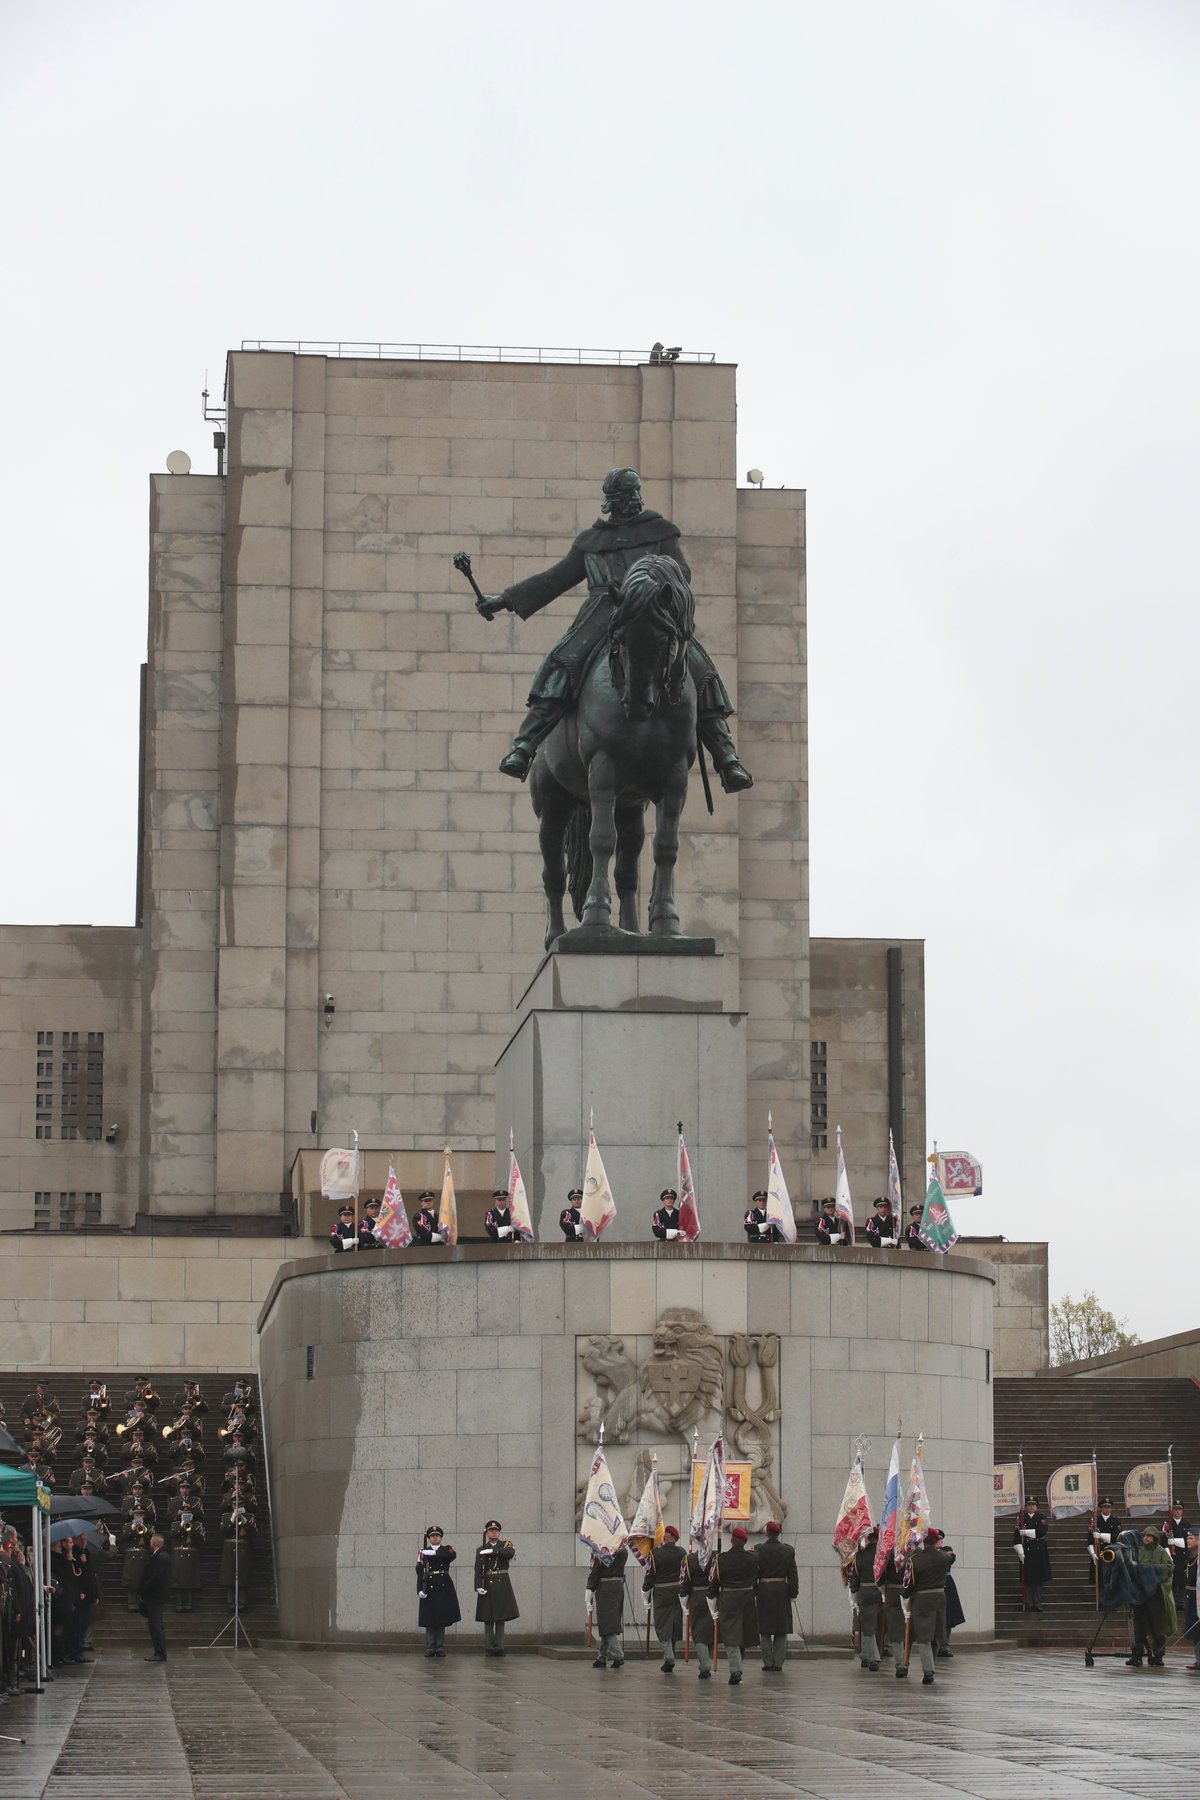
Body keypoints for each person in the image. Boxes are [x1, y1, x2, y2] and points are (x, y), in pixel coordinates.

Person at [476, 466, 752, 791]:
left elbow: (683, 572)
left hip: (652, 612)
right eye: (627, 495)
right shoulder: (592, 542)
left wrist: (657, 580)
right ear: (611, 502)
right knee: (562, 662)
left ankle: (726, 757)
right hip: (602, 613)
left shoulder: (659, 531)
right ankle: (525, 746)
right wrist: (505, 600)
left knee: (700, 668)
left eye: (637, 492)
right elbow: (555, 579)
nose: (634, 499)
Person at [708, 1525, 758, 1685]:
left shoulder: (721, 1559)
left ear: (732, 1540)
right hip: (747, 1599)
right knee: (741, 1633)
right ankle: (738, 1666)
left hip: (728, 1598)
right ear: (744, 1542)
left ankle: (736, 1670)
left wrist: (712, 1598)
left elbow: (714, 1582)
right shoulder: (753, 1558)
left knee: (731, 1636)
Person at [902, 1527, 952, 1684]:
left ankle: (928, 1670)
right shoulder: (945, 1558)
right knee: (937, 1632)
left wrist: (905, 1595)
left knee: (924, 1634)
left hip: (922, 1598)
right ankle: (932, 1664)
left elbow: (909, 1583)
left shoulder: (915, 1560)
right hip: (940, 1596)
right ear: (937, 1541)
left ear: (923, 1541)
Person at [1128, 1525, 1176, 1668]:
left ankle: (1158, 1655)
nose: (1146, 1538)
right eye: (1145, 1536)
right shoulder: (1139, 1551)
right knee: (1139, 1626)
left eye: (1149, 1536)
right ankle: (1137, 1654)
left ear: (1155, 1538)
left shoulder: (1161, 1552)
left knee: (1158, 1626)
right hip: (1140, 1595)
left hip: (1155, 1596)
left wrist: (1151, 1570)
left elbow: (1169, 1567)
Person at [754, 1520, 798, 1673]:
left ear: (767, 1533)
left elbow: (754, 1574)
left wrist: (754, 1591)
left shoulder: (758, 1550)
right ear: (778, 1533)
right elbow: (793, 1575)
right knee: (781, 1628)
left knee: (764, 1628)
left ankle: (767, 1662)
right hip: (781, 1591)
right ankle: (778, 1663)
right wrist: (793, 1593)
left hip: (764, 1590)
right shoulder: (788, 1551)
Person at [642, 1524, 685, 1672]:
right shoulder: (682, 1552)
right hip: (678, 1592)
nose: (664, 1535)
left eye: (666, 1533)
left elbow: (650, 1574)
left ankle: (669, 1656)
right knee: (673, 1624)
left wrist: (645, 1589)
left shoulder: (656, 1554)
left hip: (661, 1592)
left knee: (662, 1624)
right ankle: (670, 1655)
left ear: (671, 1537)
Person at [474, 1520, 519, 1656]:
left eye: (496, 1530)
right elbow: (477, 1569)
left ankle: (499, 1646)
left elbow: (509, 1553)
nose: (494, 1532)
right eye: (491, 1530)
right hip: (487, 1582)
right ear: (487, 1533)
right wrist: (477, 1586)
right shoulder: (480, 1549)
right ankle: (488, 1646)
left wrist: (494, 1550)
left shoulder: (505, 1544)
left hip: (502, 1582)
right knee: (488, 1617)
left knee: (501, 1617)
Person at [417, 1526, 460, 1657]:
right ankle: (430, 1647)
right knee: (429, 1620)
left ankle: (440, 1647)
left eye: (437, 1535)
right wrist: (419, 1589)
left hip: (443, 1586)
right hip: (429, 1584)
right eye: (432, 1536)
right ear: (429, 1538)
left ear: (441, 1537)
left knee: (441, 1619)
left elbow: (451, 1555)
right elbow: (419, 1571)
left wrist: (434, 1553)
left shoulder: (446, 1549)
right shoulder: (423, 1552)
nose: (435, 1537)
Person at [586, 1545, 628, 1670]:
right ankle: (601, 1657)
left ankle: (618, 1655)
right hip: (618, 1585)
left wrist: (589, 1588)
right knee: (607, 1622)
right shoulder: (623, 1551)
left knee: (607, 1623)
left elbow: (595, 1570)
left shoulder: (602, 1552)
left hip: (605, 1587)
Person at [849, 1527, 883, 1670]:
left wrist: (854, 1590)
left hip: (865, 1590)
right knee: (878, 1625)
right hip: (881, 1590)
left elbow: (855, 1576)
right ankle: (869, 1654)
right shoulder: (883, 1554)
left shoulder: (860, 1555)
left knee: (867, 1625)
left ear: (868, 1538)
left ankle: (872, 1657)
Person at [680, 1544, 716, 1679]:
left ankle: (705, 1665)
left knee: (698, 1632)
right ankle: (706, 1661)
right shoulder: (716, 1557)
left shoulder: (690, 1559)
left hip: (696, 1597)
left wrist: (684, 1602)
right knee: (710, 1630)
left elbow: (685, 1581)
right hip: (713, 1596)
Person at [138, 1532, 172, 1663]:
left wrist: (145, 1587)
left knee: (155, 1625)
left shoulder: (161, 1557)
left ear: (153, 1543)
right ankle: (159, 1652)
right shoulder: (162, 1555)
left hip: (155, 1596)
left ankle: (160, 1653)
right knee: (155, 1625)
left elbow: (156, 1576)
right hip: (156, 1595)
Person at [1013, 1500, 1051, 1611]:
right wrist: (1019, 1550)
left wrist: (1026, 1532)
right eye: (1029, 1505)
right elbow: (1016, 1535)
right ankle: (1028, 1603)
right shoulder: (1021, 1518)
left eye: (1033, 1505)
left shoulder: (1041, 1517)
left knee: (1039, 1579)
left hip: (1039, 1549)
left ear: (1036, 1507)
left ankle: (1038, 1603)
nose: (1031, 1507)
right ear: (1026, 1507)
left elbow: (1042, 1532)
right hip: (1026, 1550)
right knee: (1028, 1579)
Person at [935, 1529, 965, 1656]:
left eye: (940, 1539)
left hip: (946, 1585)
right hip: (934, 1585)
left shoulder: (946, 1550)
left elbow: (950, 1558)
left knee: (947, 1617)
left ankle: (944, 1644)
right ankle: (936, 1643)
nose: (938, 1541)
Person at [171, 1508, 205, 1613]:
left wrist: (192, 1528)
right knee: (179, 1580)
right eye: (184, 1514)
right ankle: (179, 1604)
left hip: (191, 1556)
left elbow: (201, 1538)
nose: (186, 1516)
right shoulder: (175, 1525)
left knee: (190, 1581)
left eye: (188, 1514)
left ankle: (189, 1604)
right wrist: (182, 1525)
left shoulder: (198, 1525)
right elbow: (173, 1535)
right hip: (179, 1555)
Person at [1087, 1498, 1122, 1583]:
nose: (1107, 1509)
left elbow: (1118, 1537)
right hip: (1098, 1552)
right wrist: (1092, 1553)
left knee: (1111, 1579)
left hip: (1111, 1552)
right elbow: (1090, 1540)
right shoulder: (1095, 1521)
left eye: (1109, 1507)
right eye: (1105, 1507)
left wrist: (1101, 1535)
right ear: (1101, 1508)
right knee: (1099, 1579)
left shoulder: (1115, 1521)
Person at [123, 1514, 153, 1612]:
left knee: (141, 1580)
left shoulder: (149, 1527)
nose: (138, 1516)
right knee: (132, 1581)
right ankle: (131, 1603)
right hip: (132, 1557)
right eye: (137, 1514)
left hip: (143, 1556)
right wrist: (132, 1528)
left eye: (141, 1514)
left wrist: (145, 1530)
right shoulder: (127, 1526)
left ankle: (140, 1602)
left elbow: (152, 1540)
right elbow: (124, 1538)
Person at [1163, 1501, 1191, 1605]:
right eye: (1175, 1509)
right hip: (1172, 1555)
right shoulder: (1167, 1523)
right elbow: (1164, 1539)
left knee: (1183, 1580)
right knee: (1173, 1580)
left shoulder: (1186, 1524)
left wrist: (1175, 1541)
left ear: (1182, 1511)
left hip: (1183, 1556)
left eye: (1179, 1509)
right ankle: (1173, 1601)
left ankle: (1181, 1601)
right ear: (1172, 1511)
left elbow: (1188, 1540)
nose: (1177, 1511)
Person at [1184, 1532, 1199, 1672]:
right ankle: (1198, 1659)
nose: (1188, 1540)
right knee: (1194, 1629)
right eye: (1187, 1538)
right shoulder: (1190, 1557)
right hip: (1191, 1595)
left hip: (1198, 1595)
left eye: (1191, 1538)